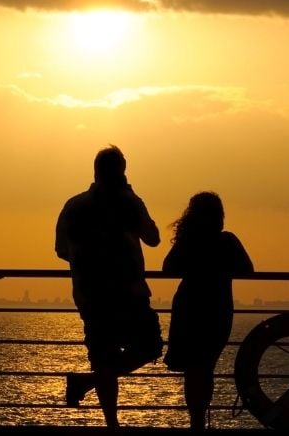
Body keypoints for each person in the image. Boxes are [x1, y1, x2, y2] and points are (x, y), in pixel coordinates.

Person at [55, 145, 163, 428]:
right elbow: (153, 238)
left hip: (90, 296)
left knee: (103, 357)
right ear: (122, 171)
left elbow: (61, 250)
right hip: (129, 294)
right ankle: (86, 384)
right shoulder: (128, 202)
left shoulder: (74, 206)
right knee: (150, 346)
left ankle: (111, 423)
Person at [162, 191, 253, 430]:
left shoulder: (188, 241)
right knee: (205, 365)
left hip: (189, 307)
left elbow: (167, 268)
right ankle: (200, 419)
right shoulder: (227, 241)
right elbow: (248, 269)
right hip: (218, 308)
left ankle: (196, 420)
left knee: (193, 369)